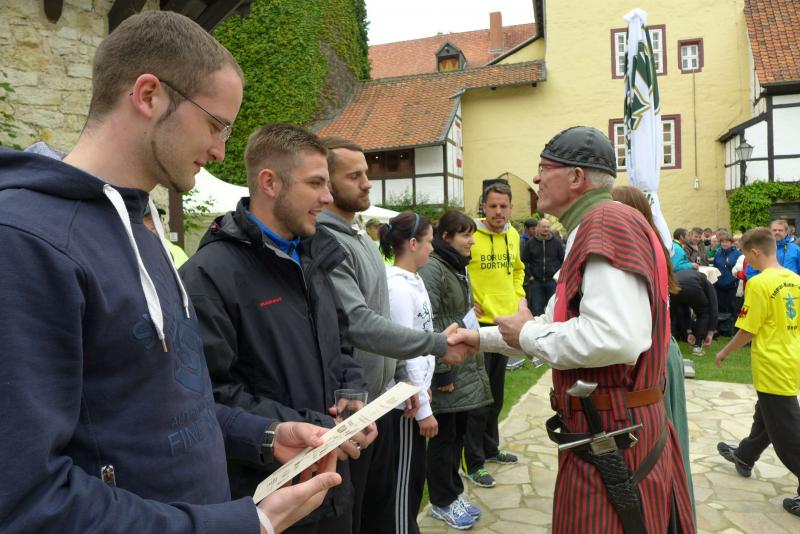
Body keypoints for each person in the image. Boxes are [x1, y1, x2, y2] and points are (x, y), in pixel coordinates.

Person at [0, 11, 339, 534]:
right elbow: (28, 500)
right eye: (215, 124)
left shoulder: (140, 227)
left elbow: (164, 402)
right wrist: (238, 526)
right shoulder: (25, 242)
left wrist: (265, 435)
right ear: (149, 95)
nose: (220, 150)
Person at [450, 126, 694, 533]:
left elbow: (617, 337)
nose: (537, 178)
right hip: (609, 429)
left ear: (576, 177)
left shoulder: (606, 223)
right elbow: (552, 324)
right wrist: (479, 338)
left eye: (544, 168)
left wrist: (525, 335)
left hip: (615, 432)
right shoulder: (596, 224)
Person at [180, 124, 376, 532]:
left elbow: (340, 347)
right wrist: (306, 425)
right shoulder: (209, 275)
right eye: (316, 183)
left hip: (333, 486)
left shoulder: (315, 256)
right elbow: (206, 395)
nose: (327, 197)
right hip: (268, 499)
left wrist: (352, 400)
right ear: (269, 183)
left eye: (327, 184)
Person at [316, 136, 470, 533]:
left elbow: (382, 316)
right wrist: (438, 344)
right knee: (358, 514)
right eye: (354, 176)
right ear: (325, 183)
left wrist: (401, 377)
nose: (367, 182)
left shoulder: (360, 238)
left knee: (380, 507)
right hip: (348, 410)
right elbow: (358, 323)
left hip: (380, 403)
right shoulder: (326, 241)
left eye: (366, 173)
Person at [611, 184, 695, 522]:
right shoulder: (654, 243)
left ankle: (669, 516)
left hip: (654, 354)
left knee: (662, 443)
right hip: (663, 349)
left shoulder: (638, 249)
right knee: (668, 438)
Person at [716, 227, 800, 518]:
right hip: (791, 359)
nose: (746, 261)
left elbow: (748, 330)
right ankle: (745, 456)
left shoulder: (760, 283)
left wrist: (724, 351)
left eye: (745, 255)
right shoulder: (795, 279)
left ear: (754, 252)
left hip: (771, 364)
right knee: (766, 415)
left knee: (787, 434)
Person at [419, 209, 491, 530]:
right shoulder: (434, 268)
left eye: (472, 233)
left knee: (457, 433)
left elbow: (454, 311)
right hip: (447, 365)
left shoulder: (457, 265)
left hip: (462, 363)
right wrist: (442, 371)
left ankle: (453, 492)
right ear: (445, 236)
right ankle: (442, 500)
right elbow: (430, 322)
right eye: (465, 234)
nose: (472, 240)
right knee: (444, 438)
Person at [462, 182, 525, 488]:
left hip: (505, 325)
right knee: (478, 398)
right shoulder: (470, 234)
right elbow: (451, 267)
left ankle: (489, 448)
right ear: (483, 207)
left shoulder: (514, 235)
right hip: (479, 326)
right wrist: (465, 300)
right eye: (493, 206)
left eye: (503, 206)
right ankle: (472, 462)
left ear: (510, 208)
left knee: (496, 395)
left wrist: (518, 299)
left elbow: (517, 270)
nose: (498, 212)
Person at [380, 212, 438, 534]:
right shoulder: (398, 288)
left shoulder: (414, 280)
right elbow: (404, 349)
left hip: (416, 395)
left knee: (414, 477)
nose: (432, 248)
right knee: (405, 482)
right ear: (413, 243)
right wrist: (423, 408)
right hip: (405, 407)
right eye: (429, 241)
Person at [522, 217, 564, 316]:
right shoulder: (531, 243)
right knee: (536, 310)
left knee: (553, 310)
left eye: (548, 227)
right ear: (538, 228)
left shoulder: (556, 243)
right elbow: (524, 261)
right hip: (536, 281)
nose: (546, 229)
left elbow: (563, 259)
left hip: (552, 281)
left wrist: (558, 276)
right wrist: (530, 276)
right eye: (543, 227)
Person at [672, 269, 719, 354]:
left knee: (673, 314)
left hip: (674, 285)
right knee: (703, 313)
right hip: (691, 287)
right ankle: (698, 346)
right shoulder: (708, 284)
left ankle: (669, 344)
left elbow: (683, 311)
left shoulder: (687, 274)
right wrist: (710, 333)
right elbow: (713, 308)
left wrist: (688, 332)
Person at [713, 230, 742, 337]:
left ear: (731, 243)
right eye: (722, 242)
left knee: (733, 307)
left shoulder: (738, 254)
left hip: (732, 286)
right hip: (719, 285)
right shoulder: (718, 253)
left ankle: (733, 330)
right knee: (721, 307)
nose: (724, 244)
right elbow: (715, 268)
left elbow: (739, 269)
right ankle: (722, 329)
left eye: (727, 242)